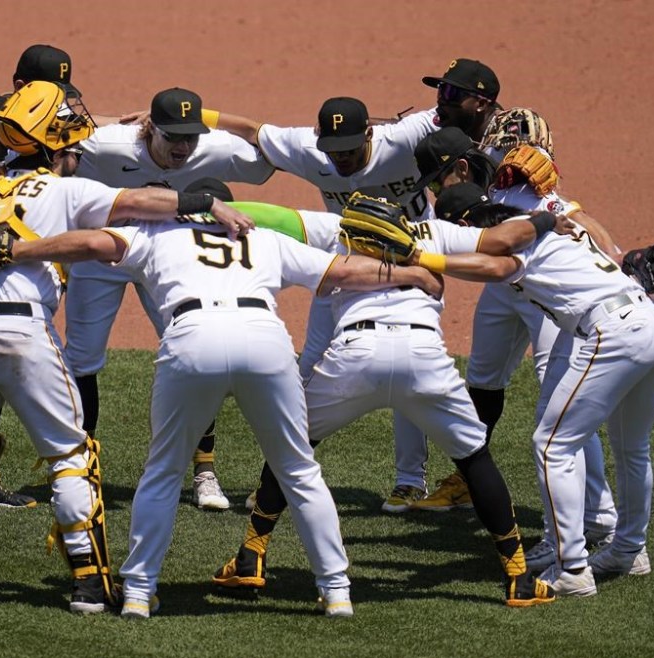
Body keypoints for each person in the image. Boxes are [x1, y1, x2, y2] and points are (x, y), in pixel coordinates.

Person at [0, 184, 447, 619]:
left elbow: (87, 245)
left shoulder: (156, 234)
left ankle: (140, 593)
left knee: (164, 470)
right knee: (299, 469)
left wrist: (16, 249)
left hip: (192, 339)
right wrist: (411, 273)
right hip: (264, 339)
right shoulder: (263, 238)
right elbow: (344, 272)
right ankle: (337, 592)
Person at [0, 81, 255, 610]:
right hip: (22, 332)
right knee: (71, 456)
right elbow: (143, 201)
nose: (77, 158)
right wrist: (205, 199)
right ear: (56, 148)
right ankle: (90, 582)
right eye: (71, 150)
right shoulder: (66, 191)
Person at [213, 189, 561, 608]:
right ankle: (518, 577)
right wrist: (546, 219)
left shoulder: (339, 229)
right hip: (424, 359)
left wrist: (205, 204)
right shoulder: (433, 232)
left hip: (354, 356)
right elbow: (504, 240)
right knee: (474, 459)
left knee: (292, 447)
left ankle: (251, 555)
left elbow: (276, 215)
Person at [405, 192, 654, 597]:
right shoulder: (546, 230)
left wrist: (426, 259)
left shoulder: (517, 238)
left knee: (552, 445)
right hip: (651, 322)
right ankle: (629, 549)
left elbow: (494, 266)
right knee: (632, 448)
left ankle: (573, 569)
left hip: (615, 330)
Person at [213, 94, 442, 511]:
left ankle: (410, 481)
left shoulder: (402, 139)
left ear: (369, 134)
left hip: (413, 261)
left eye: (350, 150)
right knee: (309, 363)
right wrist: (185, 118)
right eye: (332, 151)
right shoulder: (306, 148)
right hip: (344, 261)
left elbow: (453, 112)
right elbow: (252, 130)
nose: (342, 159)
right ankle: (280, 474)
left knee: (414, 366)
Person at [414, 115, 619, 576]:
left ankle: (595, 519)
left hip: (543, 295)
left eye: (439, 180)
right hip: (507, 289)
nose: (435, 191)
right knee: (483, 377)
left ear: (460, 171)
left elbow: (572, 212)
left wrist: (615, 256)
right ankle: (470, 479)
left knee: (559, 401)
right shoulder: (485, 178)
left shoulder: (519, 177)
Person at [66, 86, 276, 510]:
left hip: (167, 259)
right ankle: (79, 472)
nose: (183, 147)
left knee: (195, 352)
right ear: (148, 129)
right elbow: (60, 142)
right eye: (172, 136)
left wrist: (216, 118)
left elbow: (268, 154)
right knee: (81, 361)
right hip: (101, 257)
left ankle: (204, 472)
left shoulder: (214, 149)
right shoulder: (108, 145)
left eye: (190, 136)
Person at [422, 58, 501, 142]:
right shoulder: (443, 121)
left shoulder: (504, 149)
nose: (442, 101)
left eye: (452, 93)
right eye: (442, 89)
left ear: (481, 104)